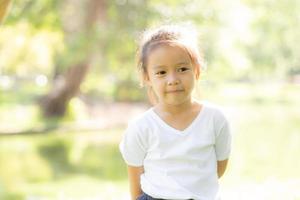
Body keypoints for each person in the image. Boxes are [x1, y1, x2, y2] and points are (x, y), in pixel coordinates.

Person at [119, 24, 231, 200]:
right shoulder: (141, 127)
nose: (173, 80)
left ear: (197, 70)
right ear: (147, 77)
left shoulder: (215, 119)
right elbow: (135, 185)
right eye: (161, 72)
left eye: (182, 69)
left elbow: (218, 168)